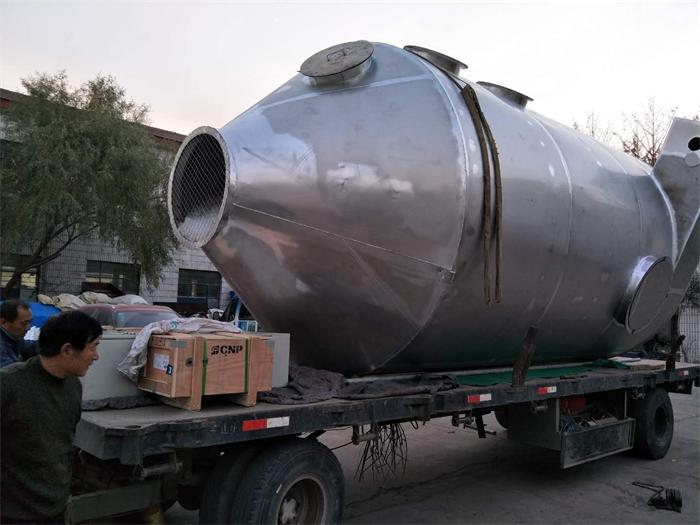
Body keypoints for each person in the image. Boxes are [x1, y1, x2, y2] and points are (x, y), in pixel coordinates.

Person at [1, 310, 102, 524]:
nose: (96, 356)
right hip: (12, 514)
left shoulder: (73, 386)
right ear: (67, 350)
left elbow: (63, 447)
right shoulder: (9, 385)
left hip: (55, 509)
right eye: (93, 347)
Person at [0, 299, 37, 367]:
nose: (28, 328)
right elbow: (10, 371)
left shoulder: (13, 337)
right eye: (24, 324)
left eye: (30, 322)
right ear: (3, 322)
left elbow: (27, 347)